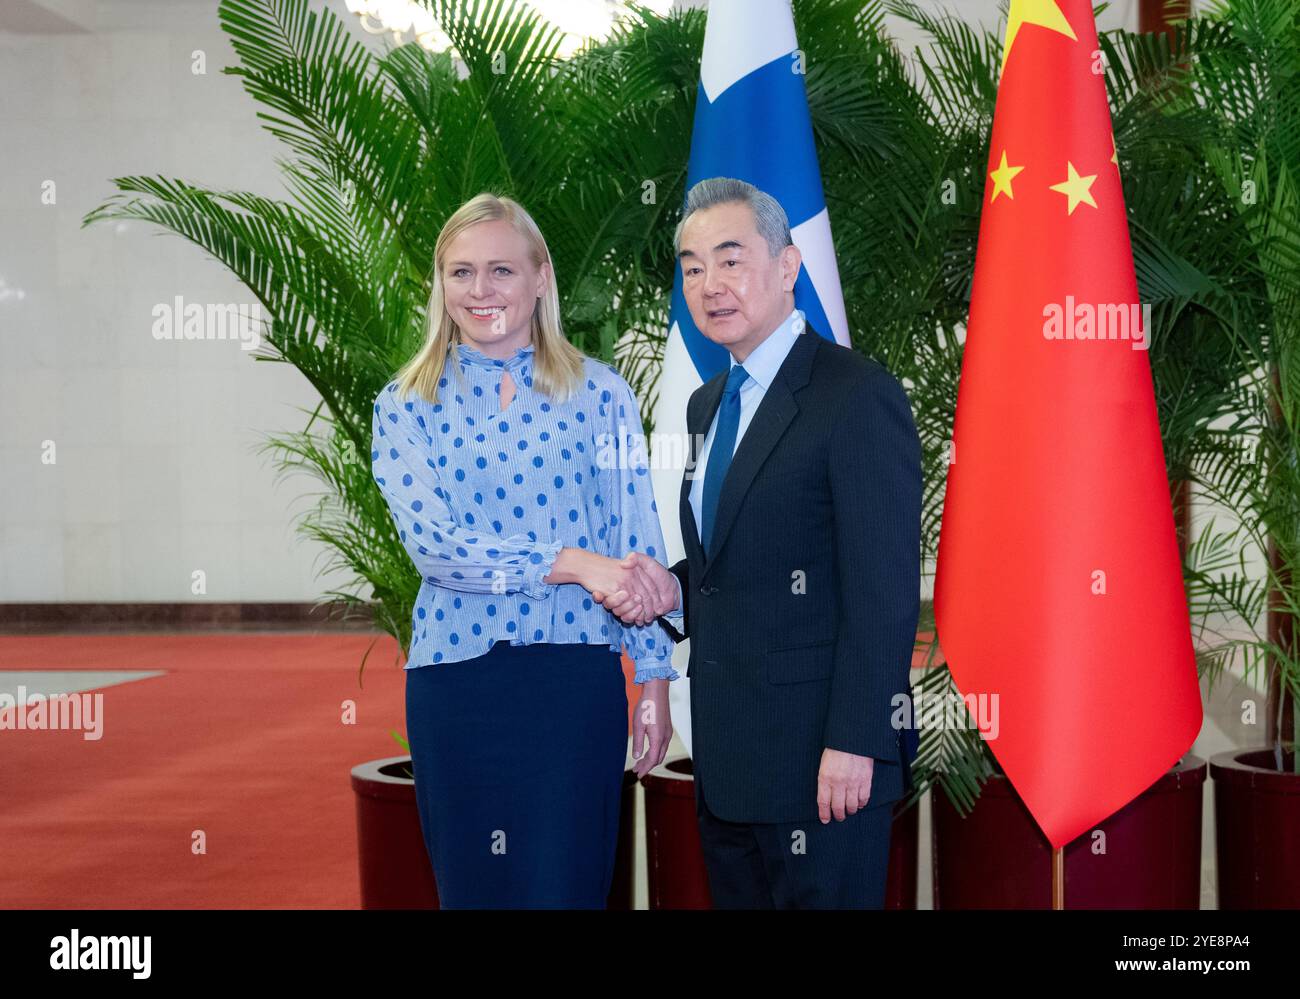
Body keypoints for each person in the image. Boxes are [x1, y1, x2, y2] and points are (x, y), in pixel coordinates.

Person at [599, 177, 921, 909]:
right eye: (691, 266)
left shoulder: (854, 394)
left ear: (787, 267)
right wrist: (672, 588)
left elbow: (884, 592)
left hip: (825, 766)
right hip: (730, 762)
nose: (708, 284)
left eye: (730, 259)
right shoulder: (709, 401)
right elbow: (731, 565)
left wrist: (857, 740)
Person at [370, 192, 678, 909]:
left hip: (573, 688)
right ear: (440, 285)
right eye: (461, 271)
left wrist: (657, 678)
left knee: (565, 889)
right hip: (455, 687)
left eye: (502, 270)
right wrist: (571, 562)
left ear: (541, 278)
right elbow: (438, 551)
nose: (481, 291)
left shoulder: (602, 396)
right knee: (475, 891)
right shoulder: (404, 404)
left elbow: (636, 542)